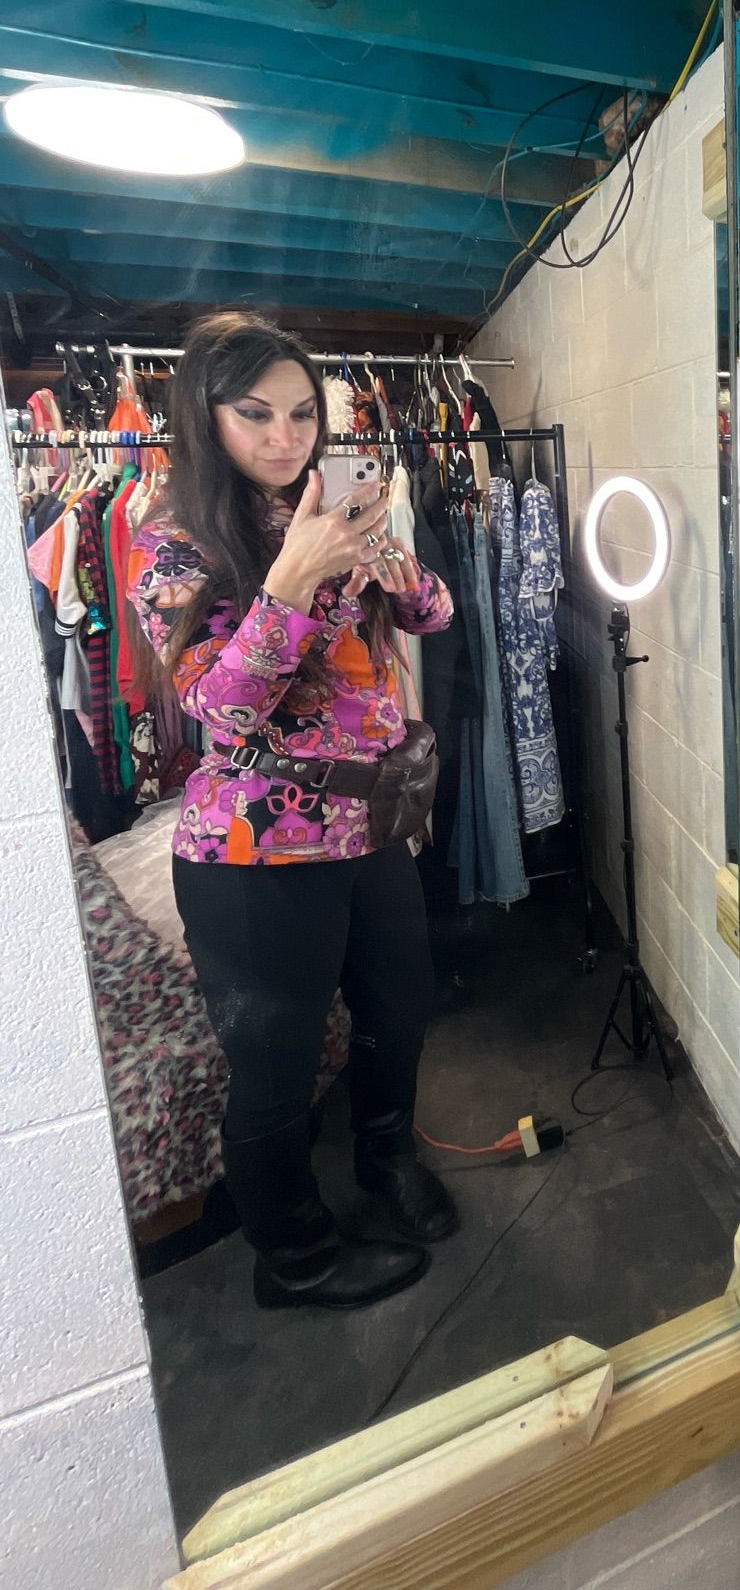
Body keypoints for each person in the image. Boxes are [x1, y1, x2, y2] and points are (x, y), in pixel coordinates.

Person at [128, 312, 458, 1311]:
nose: (285, 436)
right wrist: (288, 581)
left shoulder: (324, 507)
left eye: (304, 412)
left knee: (400, 1009)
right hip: (251, 849)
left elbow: (435, 614)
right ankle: (296, 1256)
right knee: (272, 1062)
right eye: (255, 413)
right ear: (206, 415)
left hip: (370, 827)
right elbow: (222, 714)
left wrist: (398, 572)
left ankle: (384, 1158)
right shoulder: (171, 541)